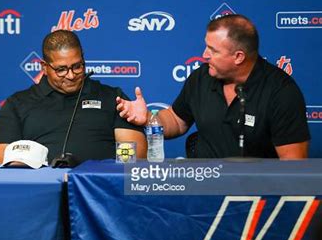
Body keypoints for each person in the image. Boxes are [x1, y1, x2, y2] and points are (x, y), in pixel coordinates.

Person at [116, 14, 310, 159]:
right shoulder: (202, 76)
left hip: (254, 199)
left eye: (213, 50)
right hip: (202, 191)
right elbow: (176, 120)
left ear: (238, 57)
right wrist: (148, 118)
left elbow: (292, 166)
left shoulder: (281, 92)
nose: (204, 55)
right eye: (206, 46)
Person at [0, 30, 146, 164]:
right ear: (44, 67)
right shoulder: (17, 104)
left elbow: (135, 157)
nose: (71, 75)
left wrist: (102, 174)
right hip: (40, 190)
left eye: (77, 66)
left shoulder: (113, 98)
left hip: (99, 190)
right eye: (61, 70)